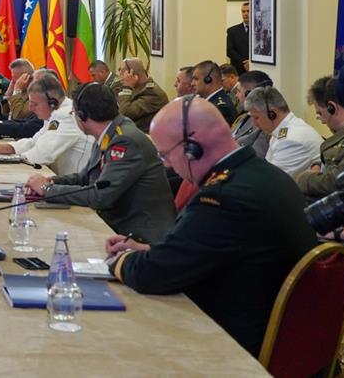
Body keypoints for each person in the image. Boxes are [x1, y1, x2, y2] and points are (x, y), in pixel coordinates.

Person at [105, 96, 316, 357]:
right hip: (284, 335)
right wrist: (150, 249)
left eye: (165, 154)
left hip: (233, 343)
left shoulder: (222, 198)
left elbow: (154, 274)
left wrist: (121, 261)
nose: (166, 164)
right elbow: (211, 248)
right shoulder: (268, 176)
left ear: (192, 148)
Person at [26, 84, 175, 243]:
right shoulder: (110, 132)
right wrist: (52, 181)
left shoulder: (124, 141)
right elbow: (86, 177)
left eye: (73, 113)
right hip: (118, 224)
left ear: (82, 115)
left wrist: (47, 190)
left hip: (139, 236)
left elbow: (101, 196)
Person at [0, 75, 92, 175]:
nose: (31, 109)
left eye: (35, 104)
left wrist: (10, 159)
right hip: (61, 178)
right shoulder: (54, 114)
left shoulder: (67, 117)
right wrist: (9, 147)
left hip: (76, 184)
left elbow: (43, 153)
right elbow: (35, 141)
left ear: (52, 103)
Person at [297, 76, 344, 200]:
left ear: (332, 107)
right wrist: (318, 165)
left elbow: (341, 179)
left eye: (320, 114)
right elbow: (338, 155)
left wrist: (304, 179)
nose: (322, 121)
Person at [244, 86, 323, 178]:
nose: (254, 124)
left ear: (272, 114)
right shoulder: (284, 130)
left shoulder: (291, 141)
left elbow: (272, 180)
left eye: (256, 117)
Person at [0, 68, 50, 139]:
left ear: (26, 78)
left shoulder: (31, 98)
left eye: (16, 77)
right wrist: (8, 94)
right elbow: (6, 114)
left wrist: (17, 91)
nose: (12, 81)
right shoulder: (27, 94)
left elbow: (17, 118)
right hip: (14, 136)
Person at [115, 58, 168, 133]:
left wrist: (127, 88)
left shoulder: (152, 94)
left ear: (132, 74)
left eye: (123, 72)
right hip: (132, 132)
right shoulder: (137, 87)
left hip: (146, 136)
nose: (120, 76)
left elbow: (125, 114)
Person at [231, 71, 274, 157]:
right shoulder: (244, 117)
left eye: (239, 91)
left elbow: (257, 156)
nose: (236, 95)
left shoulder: (265, 124)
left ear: (250, 94)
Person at [192, 60, 238, 125]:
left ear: (208, 79)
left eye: (196, 79)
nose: (192, 83)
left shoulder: (221, 108)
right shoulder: (210, 102)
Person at [226, 2, 251, 71]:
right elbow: (229, 50)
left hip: (257, 67)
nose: (245, 14)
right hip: (238, 69)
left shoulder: (261, 30)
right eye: (243, 11)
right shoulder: (232, 31)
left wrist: (251, 62)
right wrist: (245, 62)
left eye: (248, 11)